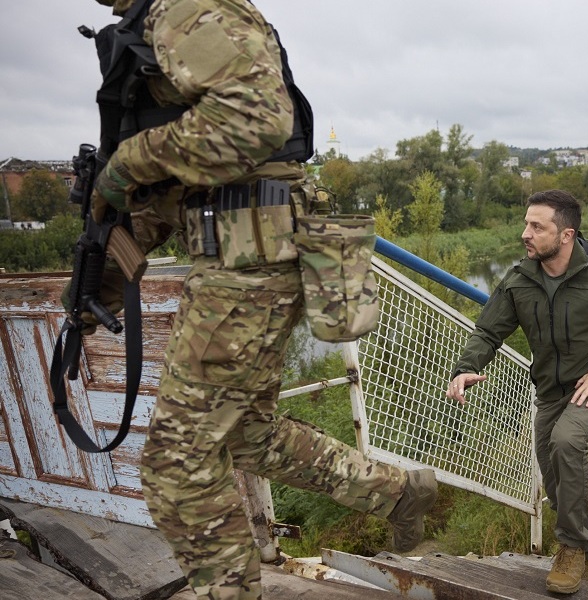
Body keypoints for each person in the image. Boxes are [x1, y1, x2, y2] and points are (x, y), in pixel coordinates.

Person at [80, 2, 437, 598]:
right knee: (245, 434)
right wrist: (100, 279)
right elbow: (187, 183)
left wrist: (125, 164)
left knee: (176, 469)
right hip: (247, 251)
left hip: (248, 260)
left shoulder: (181, 5)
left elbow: (255, 119)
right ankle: (397, 493)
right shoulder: (155, 17)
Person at [446, 189, 588, 595]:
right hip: (548, 389)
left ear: (566, 235)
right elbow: (488, 331)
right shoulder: (519, 279)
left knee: (566, 442)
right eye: (526, 224)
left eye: (536, 227)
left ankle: (572, 548)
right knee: (554, 475)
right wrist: (467, 367)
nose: (525, 233)